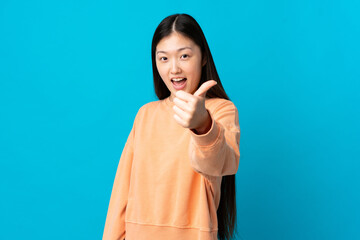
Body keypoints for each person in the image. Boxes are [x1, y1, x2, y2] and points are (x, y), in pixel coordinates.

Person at [103, 13, 240, 240]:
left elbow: (224, 163)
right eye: (163, 59)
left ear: (203, 57)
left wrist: (202, 125)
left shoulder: (220, 110)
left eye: (184, 56)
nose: (174, 69)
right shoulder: (146, 115)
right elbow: (121, 194)